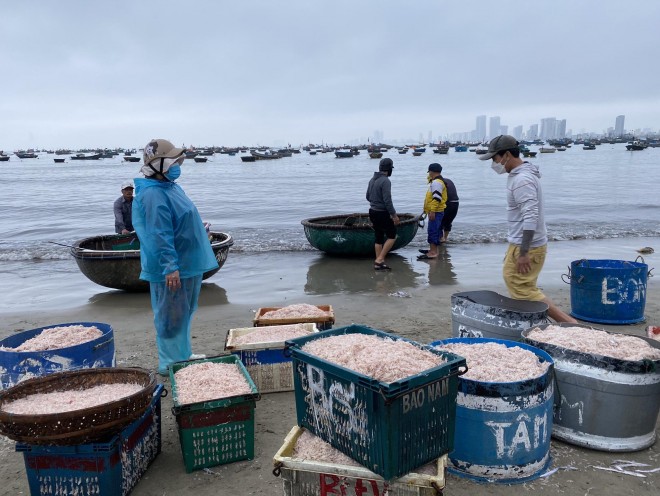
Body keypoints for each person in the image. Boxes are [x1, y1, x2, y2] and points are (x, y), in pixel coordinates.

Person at [132, 138, 219, 376]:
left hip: (188, 261)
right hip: (172, 266)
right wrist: (169, 266)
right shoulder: (151, 195)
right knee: (170, 315)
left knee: (184, 311)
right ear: (157, 164)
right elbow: (158, 234)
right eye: (173, 161)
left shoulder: (169, 187)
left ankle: (183, 354)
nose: (178, 164)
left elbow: (178, 219)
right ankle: (170, 363)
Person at [480, 135, 577, 323]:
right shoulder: (520, 176)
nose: (494, 163)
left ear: (506, 154)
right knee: (521, 285)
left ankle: (569, 323)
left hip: (527, 246)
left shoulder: (522, 180)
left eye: (495, 158)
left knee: (522, 288)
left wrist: (524, 252)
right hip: (522, 243)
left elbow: (531, 217)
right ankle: (544, 321)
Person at [366, 157, 400, 270]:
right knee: (392, 235)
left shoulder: (372, 179)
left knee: (379, 237)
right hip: (382, 213)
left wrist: (375, 202)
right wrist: (394, 215)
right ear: (389, 169)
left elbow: (367, 197)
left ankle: (379, 264)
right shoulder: (385, 181)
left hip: (372, 211)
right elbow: (387, 201)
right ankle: (379, 259)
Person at [418, 163, 446, 260]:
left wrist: (432, 211)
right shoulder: (437, 181)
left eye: (429, 172)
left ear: (431, 172)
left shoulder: (437, 183)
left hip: (436, 211)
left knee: (433, 231)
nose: (428, 174)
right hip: (437, 211)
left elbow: (437, 198)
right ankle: (433, 250)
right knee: (436, 230)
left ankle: (433, 252)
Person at [438, 168, 459, 243]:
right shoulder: (448, 180)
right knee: (448, 222)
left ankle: (440, 239)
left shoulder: (438, 183)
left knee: (439, 222)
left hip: (448, 203)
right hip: (456, 203)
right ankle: (445, 238)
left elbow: (438, 197)